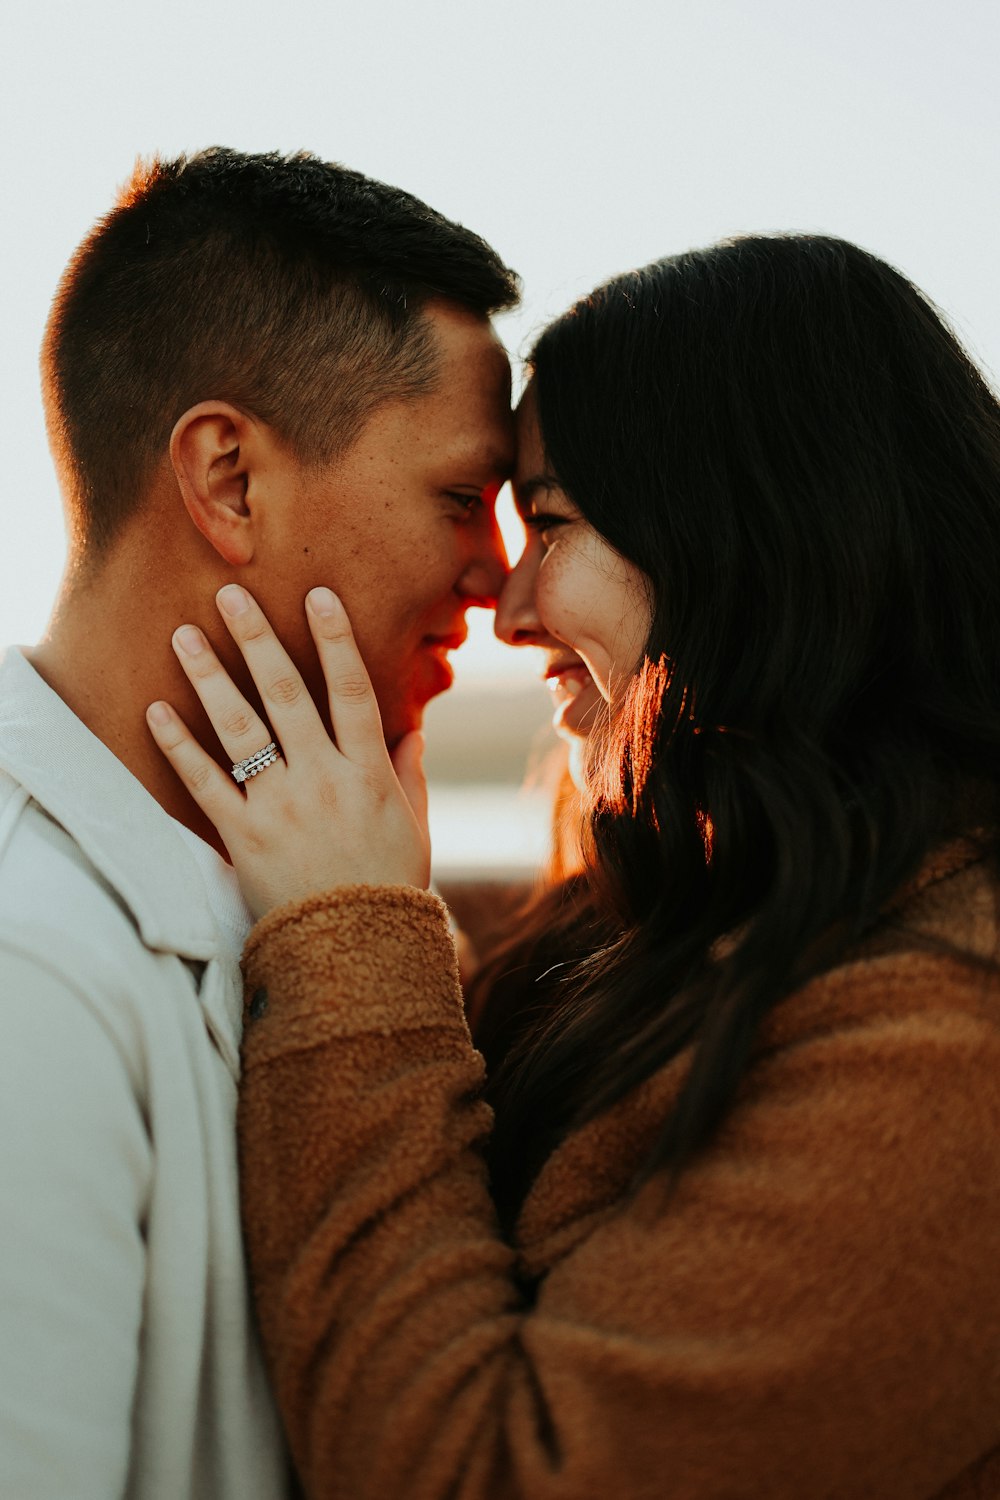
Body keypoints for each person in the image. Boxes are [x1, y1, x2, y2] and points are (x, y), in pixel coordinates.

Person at [150, 235, 1000, 1498]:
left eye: (551, 522)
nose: (510, 607)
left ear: (747, 541)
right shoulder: (705, 901)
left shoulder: (953, 1047)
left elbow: (478, 1472)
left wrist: (350, 933)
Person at [0, 146, 517, 1498]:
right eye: (463, 498)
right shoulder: (28, 967)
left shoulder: (305, 887)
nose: (501, 578)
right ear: (229, 480)